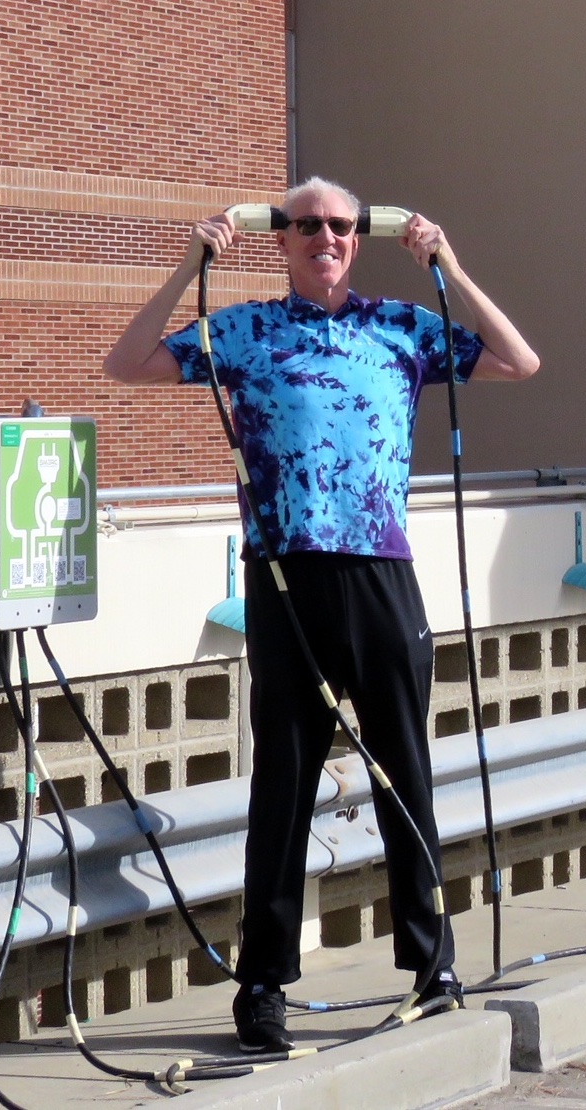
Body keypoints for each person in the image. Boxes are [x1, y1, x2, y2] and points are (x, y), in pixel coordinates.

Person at [103, 177, 539, 1053]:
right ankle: (262, 984)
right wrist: (191, 261)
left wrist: (445, 260)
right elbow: (128, 363)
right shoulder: (248, 330)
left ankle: (431, 963)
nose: (325, 238)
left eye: (340, 226)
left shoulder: (402, 327)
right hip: (283, 577)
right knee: (285, 783)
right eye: (306, 226)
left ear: (358, 237)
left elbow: (517, 360)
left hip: (380, 572)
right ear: (283, 238)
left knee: (403, 774)